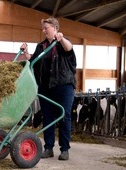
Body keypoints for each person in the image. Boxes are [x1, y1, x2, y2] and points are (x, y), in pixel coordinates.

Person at [20, 17, 77, 160]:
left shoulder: (62, 44)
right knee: (47, 117)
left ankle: (64, 149)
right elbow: (33, 61)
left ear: (55, 28)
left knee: (64, 116)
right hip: (46, 87)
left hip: (64, 85)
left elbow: (69, 48)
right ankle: (48, 148)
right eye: (43, 28)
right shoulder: (42, 46)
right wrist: (26, 52)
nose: (44, 30)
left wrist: (62, 38)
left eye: (46, 27)